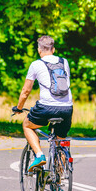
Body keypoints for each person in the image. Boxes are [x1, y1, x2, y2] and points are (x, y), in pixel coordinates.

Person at [13, 35, 73, 172]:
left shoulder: (36, 64)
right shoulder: (65, 62)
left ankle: (39, 156)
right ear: (53, 49)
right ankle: (58, 181)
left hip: (46, 107)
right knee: (60, 140)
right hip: (67, 108)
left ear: (39, 50)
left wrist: (19, 108)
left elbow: (25, 91)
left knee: (27, 125)